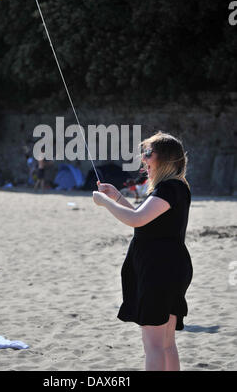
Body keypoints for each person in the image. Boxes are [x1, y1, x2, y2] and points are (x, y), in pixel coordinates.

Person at [93, 131, 192, 371]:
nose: (143, 159)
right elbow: (145, 218)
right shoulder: (175, 187)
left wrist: (105, 203)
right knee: (167, 344)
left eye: (148, 153)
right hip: (170, 267)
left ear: (166, 158)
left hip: (159, 270)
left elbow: (136, 220)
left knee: (154, 346)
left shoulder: (168, 188)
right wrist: (116, 196)